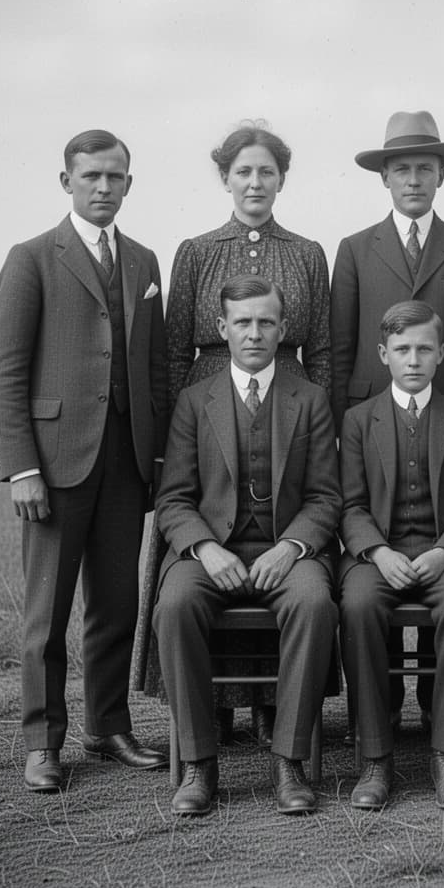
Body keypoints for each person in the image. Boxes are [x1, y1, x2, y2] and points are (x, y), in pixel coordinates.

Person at [132, 121, 331, 748]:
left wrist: (315, 407)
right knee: (207, 556)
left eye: (266, 171)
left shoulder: (305, 252)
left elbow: (321, 350)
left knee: (278, 547)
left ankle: (276, 708)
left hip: (287, 395)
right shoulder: (195, 250)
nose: (254, 182)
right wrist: (169, 439)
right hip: (208, 403)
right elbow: (169, 353)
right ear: (225, 177)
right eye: (242, 171)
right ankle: (209, 715)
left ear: (281, 180)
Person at [0, 129, 169, 792]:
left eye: (115, 177)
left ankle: (108, 725)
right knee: (47, 612)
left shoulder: (145, 262)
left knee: (118, 603)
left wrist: (154, 459)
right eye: (90, 176)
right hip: (55, 464)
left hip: (125, 466)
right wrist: (23, 468)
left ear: (128, 184)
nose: (102, 187)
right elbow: (5, 372)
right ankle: (42, 742)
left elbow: (153, 371)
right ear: (67, 182)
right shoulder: (33, 258)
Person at [331, 109, 444, 733]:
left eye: (424, 169)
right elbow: (340, 348)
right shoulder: (353, 250)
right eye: (401, 169)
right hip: (372, 428)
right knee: (368, 597)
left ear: (440, 177)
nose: (413, 180)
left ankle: (436, 719)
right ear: (384, 178)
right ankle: (374, 733)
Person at [152, 275, 340, 816]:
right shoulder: (194, 401)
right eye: (242, 323)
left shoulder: (310, 399)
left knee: (313, 602)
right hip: (212, 551)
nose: (254, 333)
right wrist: (207, 550)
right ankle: (199, 763)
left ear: (282, 328)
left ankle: (289, 760)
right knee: (177, 603)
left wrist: (292, 548)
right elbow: (174, 501)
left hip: (286, 551)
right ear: (222, 329)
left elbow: (326, 498)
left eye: (265, 322)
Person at [338, 302, 444, 810]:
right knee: (356, 605)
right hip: (380, 555)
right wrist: (377, 552)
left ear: (441, 353)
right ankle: (376, 757)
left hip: (442, 555)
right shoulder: (359, 420)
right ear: (384, 354)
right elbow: (351, 505)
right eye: (403, 349)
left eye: (425, 348)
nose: (414, 359)